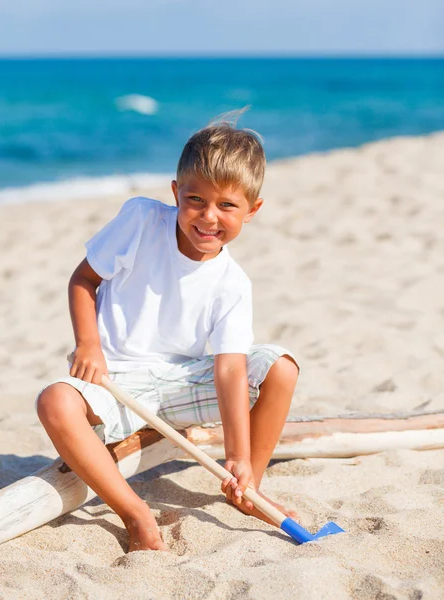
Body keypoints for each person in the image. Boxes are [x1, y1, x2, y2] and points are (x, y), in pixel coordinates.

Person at [36, 112, 300, 552]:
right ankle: (134, 512)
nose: (208, 217)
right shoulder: (141, 221)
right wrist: (89, 345)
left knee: (281, 367)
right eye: (195, 200)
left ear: (252, 210)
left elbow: (231, 370)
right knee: (54, 401)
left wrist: (236, 455)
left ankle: (246, 487)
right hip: (115, 379)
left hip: (181, 384)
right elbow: (83, 280)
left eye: (227, 206)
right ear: (176, 192)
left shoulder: (233, 284)